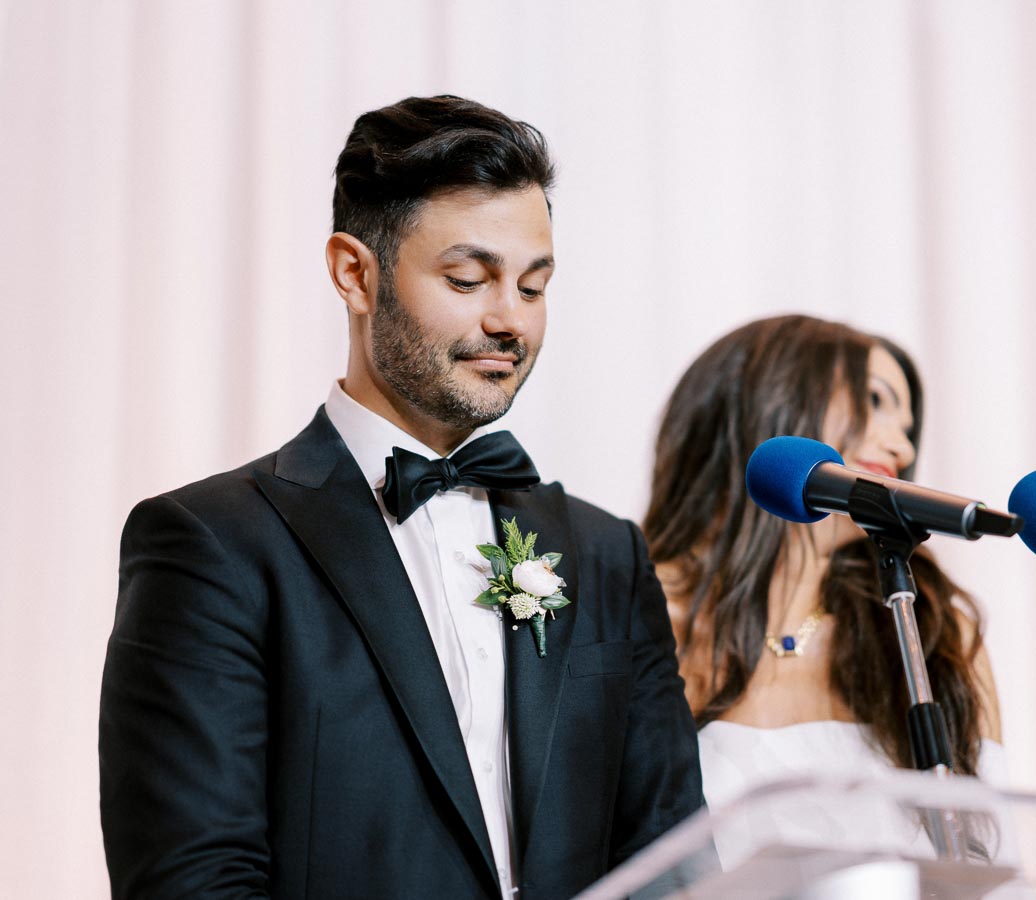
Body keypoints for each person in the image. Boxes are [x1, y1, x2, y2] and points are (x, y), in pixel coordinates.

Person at [99, 95, 702, 900]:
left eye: (533, 286)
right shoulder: (213, 544)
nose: (510, 320)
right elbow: (192, 879)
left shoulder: (605, 552)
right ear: (355, 273)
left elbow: (674, 860)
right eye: (468, 279)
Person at [642, 314, 1005, 859]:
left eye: (907, 428)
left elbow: (996, 859)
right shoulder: (638, 615)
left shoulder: (930, 627)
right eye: (876, 401)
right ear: (772, 396)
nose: (902, 448)